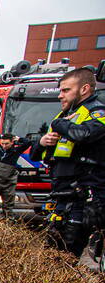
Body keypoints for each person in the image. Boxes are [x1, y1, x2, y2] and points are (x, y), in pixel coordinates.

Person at [30, 67, 105, 257]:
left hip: (84, 197)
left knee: (68, 253)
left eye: (66, 90)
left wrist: (59, 125)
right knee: (54, 250)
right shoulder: (65, 116)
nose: (60, 96)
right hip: (62, 195)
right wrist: (42, 142)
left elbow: (82, 134)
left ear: (84, 89)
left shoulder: (97, 112)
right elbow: (36, 155)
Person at [0, 132, 32, 217]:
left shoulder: (16, 151)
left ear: (12, 143)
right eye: (2, 143)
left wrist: (18, 139)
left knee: (8, 205)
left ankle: (8, 221)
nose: (4, 146)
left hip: (9, 181)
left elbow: (28, 142)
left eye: (7, 144)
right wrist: (0, 136)